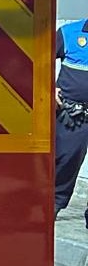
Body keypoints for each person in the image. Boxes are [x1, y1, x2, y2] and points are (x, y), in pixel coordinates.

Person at [56, 17, 88, 224]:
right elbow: (36, 60)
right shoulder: (69, 33)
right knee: (65, 161)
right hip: (73, 116)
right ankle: (52, 207)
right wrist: (48, 88)